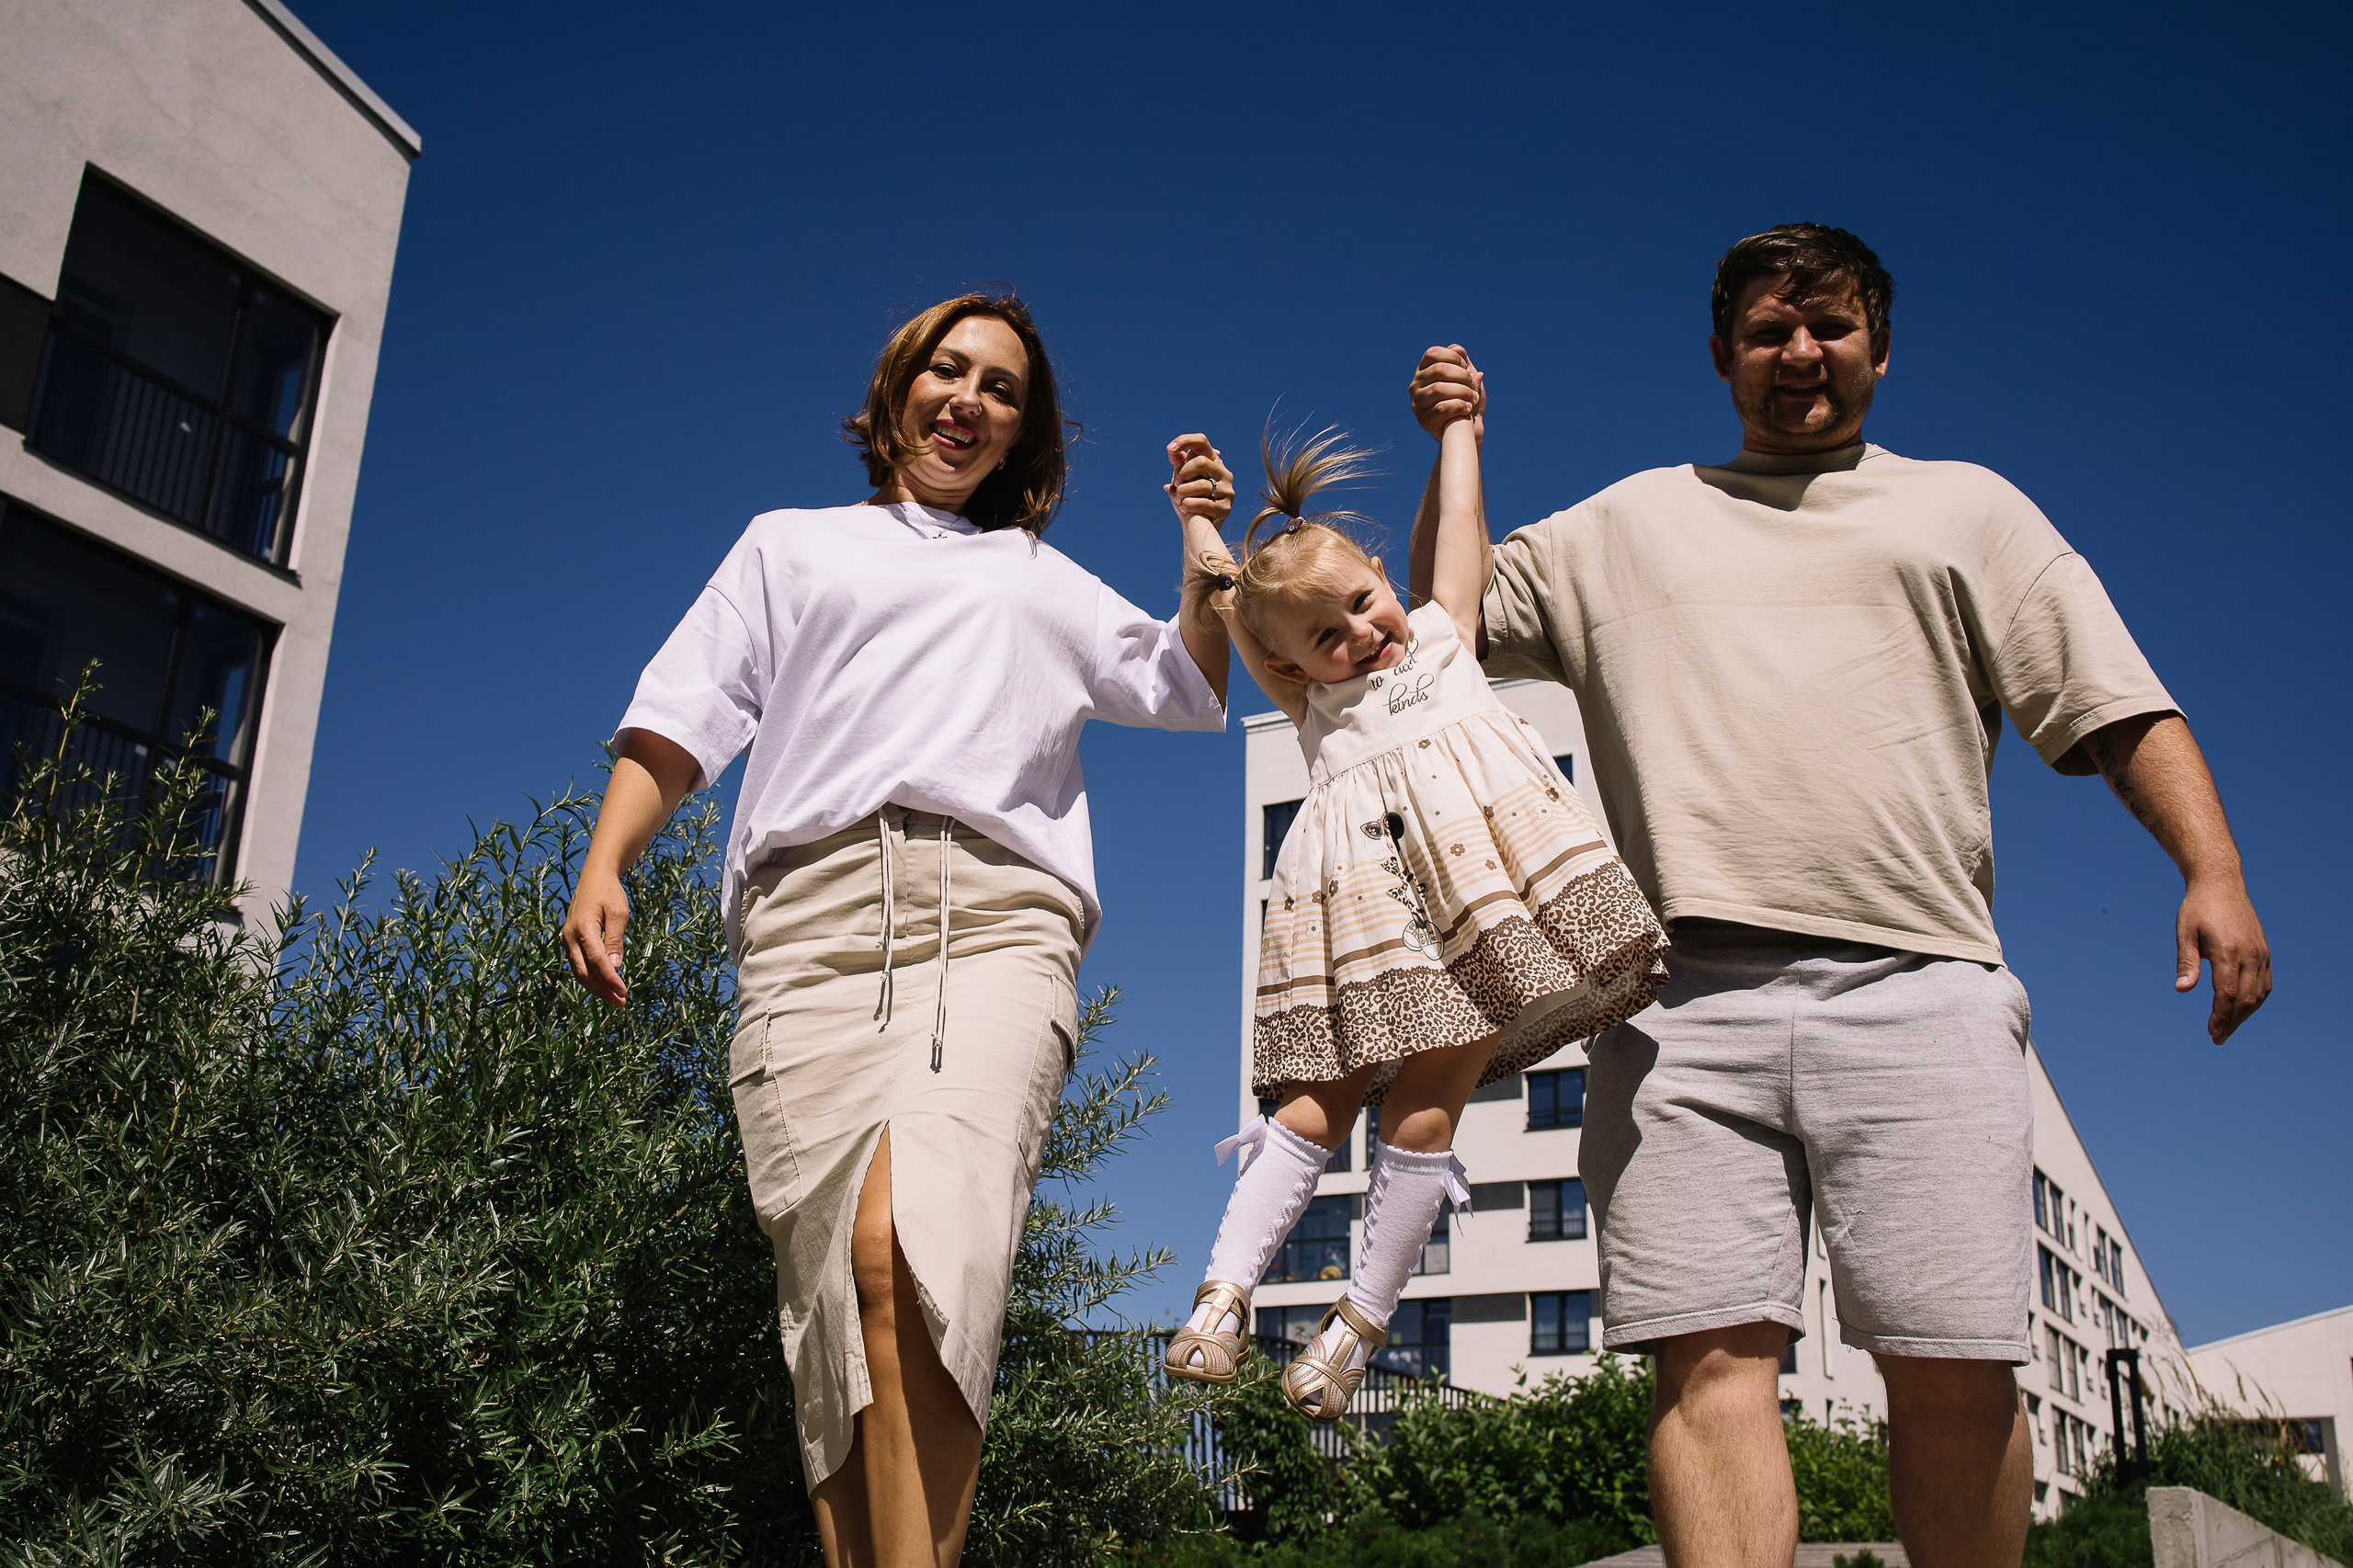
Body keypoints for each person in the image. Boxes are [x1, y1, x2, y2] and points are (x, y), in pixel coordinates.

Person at [1406, 224, 2272, 1568]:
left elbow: (2113, 705)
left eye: (1830, 327)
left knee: (1955, 1363)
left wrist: (2211, 868)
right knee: (1706, 1363)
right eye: (1768, 331)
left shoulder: (1969, 511)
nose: (1800, 352)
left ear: (1879, 346)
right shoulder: (1620, 526)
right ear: (1721, 356)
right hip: (1678, 1008)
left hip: (1919, 989)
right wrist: (1454, 443)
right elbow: (1444, 614)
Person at [559, 291, 1235, 1568]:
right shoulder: (789, 546)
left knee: (913, 1254)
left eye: (1001, 388)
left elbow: (1189, 680)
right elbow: (684, 713)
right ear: (897, 390)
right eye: (947, 369)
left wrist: (1204, 544)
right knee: (839, 1295)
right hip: (807, 932)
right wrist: (608, 860)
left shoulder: (1032, 576)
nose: (968, 399)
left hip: (995, 922)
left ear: (1023, 433)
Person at [1161, 415, 1667, 1421]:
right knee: (1314, 1104)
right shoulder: (1316, 709)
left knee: (1427, 1109)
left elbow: (1463, 528)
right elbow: (1230, 601)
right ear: (1295, 666)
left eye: (1362, 602)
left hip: (1473, 920)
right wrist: (1195, 522)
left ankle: (1357, 1325)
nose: (1359, 634)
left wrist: (1460, 430)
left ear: (1385, 577)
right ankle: (1223, 1295)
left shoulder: (1443, 637)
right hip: (1370, 930)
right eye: (1326, 637)